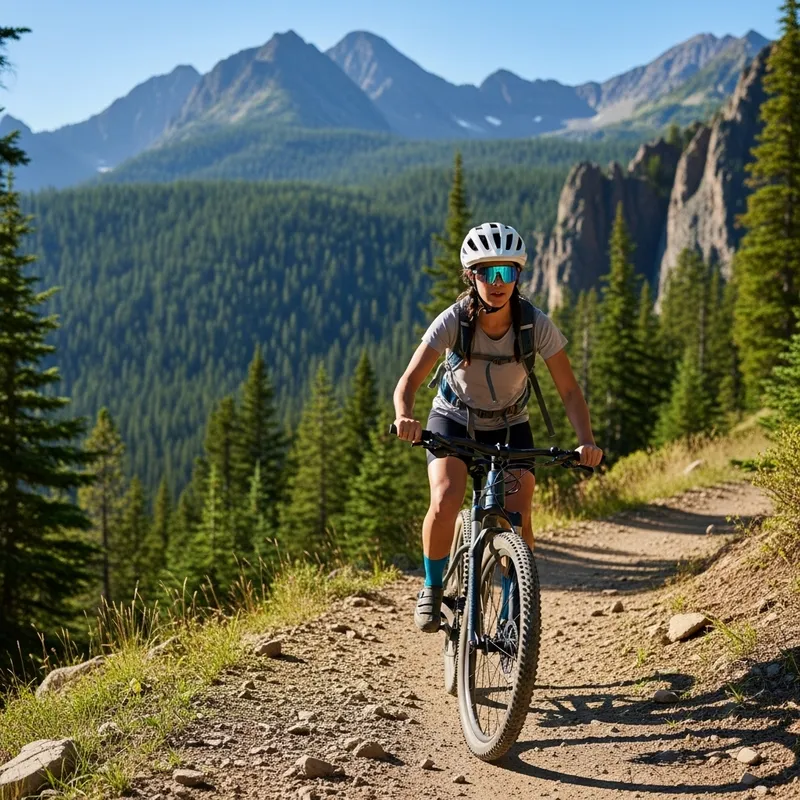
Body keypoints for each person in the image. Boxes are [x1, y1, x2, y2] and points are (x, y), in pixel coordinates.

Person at [392, 221, 603, 632]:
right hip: (453, 420)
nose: (497, 281)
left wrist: (587, 443)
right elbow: (409, 381)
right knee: (447, 496)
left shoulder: (534, 324)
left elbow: (571, 392)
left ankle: (513, 608)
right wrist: (405, 416)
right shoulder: (454, 320)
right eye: (486, 272)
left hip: (510, 425)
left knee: (519, 513)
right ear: (471, 276)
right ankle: (432, 589)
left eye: (505, 272)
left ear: (518, 276)